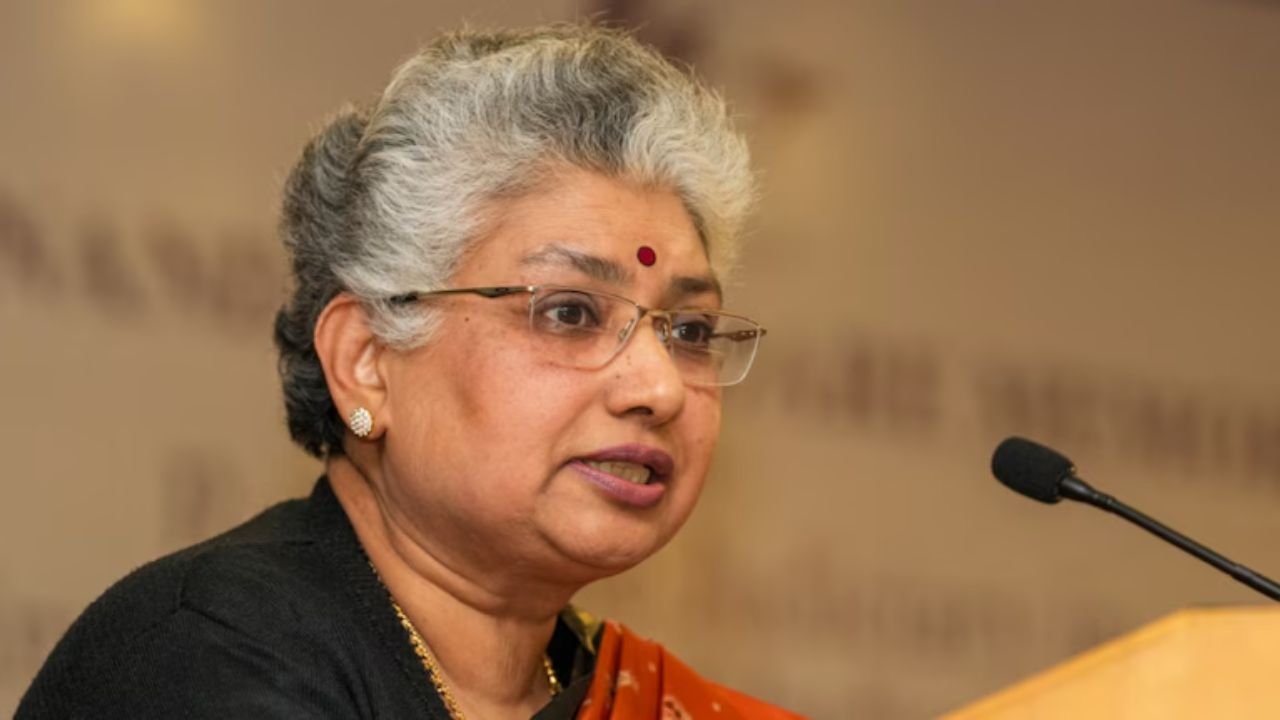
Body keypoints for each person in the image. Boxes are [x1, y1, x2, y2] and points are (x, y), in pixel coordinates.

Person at [18, 25, 800, 719]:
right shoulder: (204, 656)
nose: (659, 388)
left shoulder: (624, 694)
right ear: (365, 362)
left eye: (690, 331)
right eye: (569, 313)